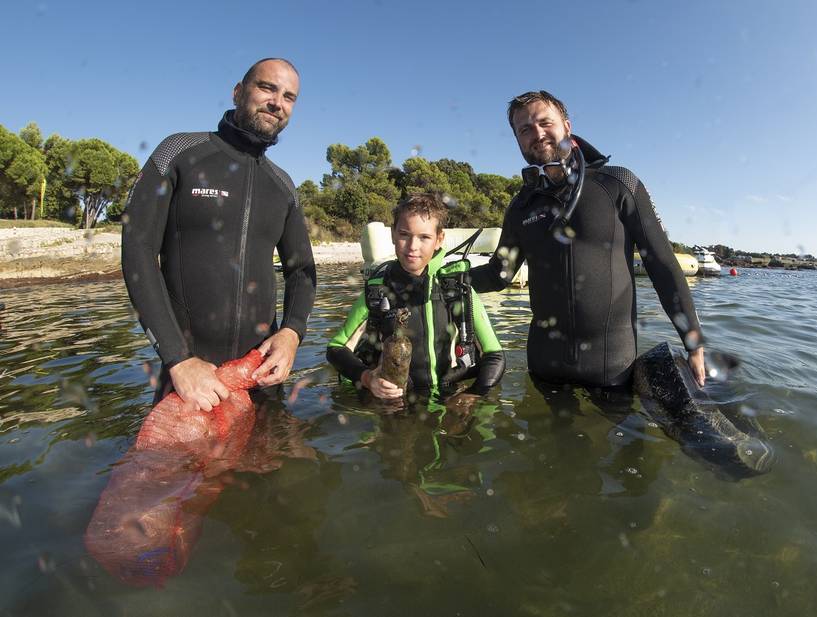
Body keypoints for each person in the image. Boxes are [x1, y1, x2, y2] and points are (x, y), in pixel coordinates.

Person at [470, 90, 705, 390]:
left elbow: (661, 265)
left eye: (545, 122)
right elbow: (499, 274)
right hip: (544, 368)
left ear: (567, 126)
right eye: (525, 129)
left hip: (613, 369)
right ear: (517, 139)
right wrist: (438, 276)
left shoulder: (619, 184)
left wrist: (694, 343)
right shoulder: (521, 206)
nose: (537, 134)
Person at [122, 58, 317, 411]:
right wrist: (178, 359)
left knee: (274, 466)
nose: (278, 102)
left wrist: (291, 333)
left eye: (289, 96)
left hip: (260, 380)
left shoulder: (283, 186)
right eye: (267, 88)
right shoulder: (179, 153)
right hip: (189, 381)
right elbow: (137, 251)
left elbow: (302, 271)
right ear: (238, 92)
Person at [327, 193, 505, 402]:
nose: (412, 246)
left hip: (447, 398)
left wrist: (472, 395)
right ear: (393, 235)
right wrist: (367, 379)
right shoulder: (376, 291)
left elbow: (495, 355)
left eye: (424, 237)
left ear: (439, 239)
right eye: (404, 234)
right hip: (391, 402)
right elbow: (336, 349)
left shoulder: (458, 289)